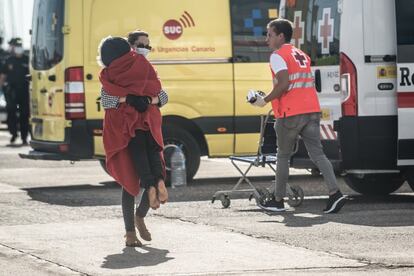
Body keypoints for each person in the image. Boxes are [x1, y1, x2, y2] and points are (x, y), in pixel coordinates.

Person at [249, 18, 346, 214]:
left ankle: (277, 201)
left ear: (280, 36)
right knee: (318, 154)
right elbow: (295, 82)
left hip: (290, 114)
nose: (267, 39)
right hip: (311, 110)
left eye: (270, 34)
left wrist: (264, 100)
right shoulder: (300, 54)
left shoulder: (277, 56)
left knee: (283, 155)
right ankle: (335, 194)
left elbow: (284, 83)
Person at [98, 36, 168, 247]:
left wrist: (133, 99)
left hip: (125, 132)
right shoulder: (142, 68)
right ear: (130, 48)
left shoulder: (111, 73)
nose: (145, 49)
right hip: (140, 129)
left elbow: (107, 100)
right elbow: (162, 97)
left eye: (147, 45)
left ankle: (135, 224)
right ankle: (134, 225)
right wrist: (137, 99)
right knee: (148, 175)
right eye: (141, 45)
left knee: (131, 182)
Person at [0, 38, 30, 145]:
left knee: (24, 114)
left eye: (19, 46)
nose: (18, 48)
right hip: (11, 91)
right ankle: (13, 133)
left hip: (25, 91)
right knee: (11, 113)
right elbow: (3, 76)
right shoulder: (9, 60)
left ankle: (24, 137)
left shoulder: (27, 59)